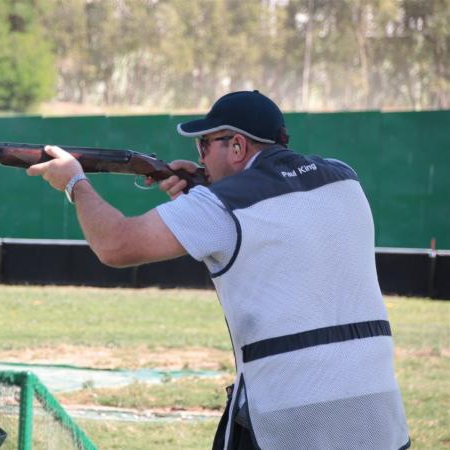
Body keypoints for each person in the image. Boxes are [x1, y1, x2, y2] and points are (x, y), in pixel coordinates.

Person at [26, 90, 410, 450]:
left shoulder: (219, 206)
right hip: (377, 409)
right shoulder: (344, 177)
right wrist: (206, 183)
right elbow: (278, 220)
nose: (200, 156)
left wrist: (75, 181)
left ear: (238, 146)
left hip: (289, 417)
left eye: (205, 145)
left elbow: (116, 245)